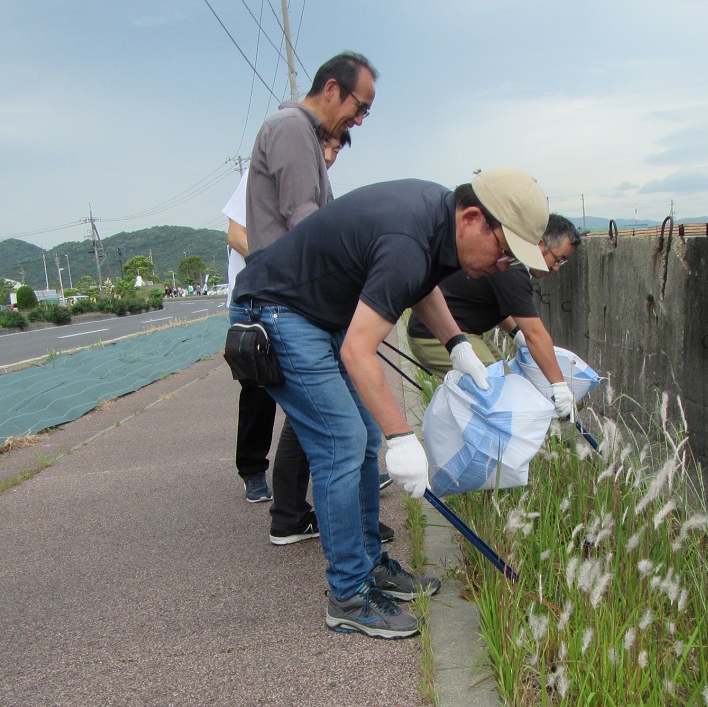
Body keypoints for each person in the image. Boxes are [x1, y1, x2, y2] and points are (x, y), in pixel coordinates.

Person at [231, 166, 551, 638]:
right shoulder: (409, 238)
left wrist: (457, 344)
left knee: (361, 442)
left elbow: (421, 287)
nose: (500, 265)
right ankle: (348, 594)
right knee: (343, 442)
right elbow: (359, 350)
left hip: (320, 314)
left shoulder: (439, 222)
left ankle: (368, 563)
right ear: (472, 218)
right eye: (503, 250)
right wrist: (403, 440)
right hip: (277, 311)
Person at [232, 52, 378, 550]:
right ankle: (352, 571)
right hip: (288, 307)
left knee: (350, 433)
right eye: (360, 107)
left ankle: (360, 547)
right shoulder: (292, 127)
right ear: (333, 88)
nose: (359, 120)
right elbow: (308, 221)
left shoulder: (304, 136)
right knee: (344, 439)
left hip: (304, 306)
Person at [406, 214, 581, 417]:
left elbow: (494, 304)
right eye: (558, 259)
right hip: (433, 335)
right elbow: (535, 333)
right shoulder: (512, 270)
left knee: (508, 378)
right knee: (498, 393)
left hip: (465, 331)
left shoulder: (510, 261)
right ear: (541, 244)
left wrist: (516, 333)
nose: (557, 268)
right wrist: (559, 386)